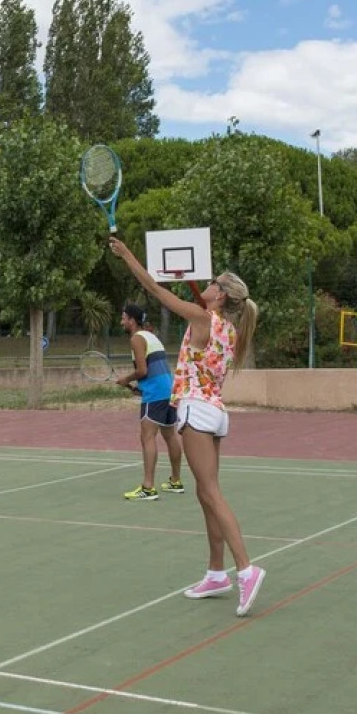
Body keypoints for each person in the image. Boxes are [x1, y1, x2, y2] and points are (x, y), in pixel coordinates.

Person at [108, 237, 266, 617]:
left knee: (210, 494)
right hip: (214, 412)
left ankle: (246, 569)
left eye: (214, 282)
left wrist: (128, 255)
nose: (208, 285)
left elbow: (156, 290)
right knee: (205, 494)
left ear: (221, 295)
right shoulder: (231, 330)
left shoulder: (203, 319)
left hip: (196, 410)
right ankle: (216, 573)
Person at [115, 303, 184, 501]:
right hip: (167, 389)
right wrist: (139, 388)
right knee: (170, 435)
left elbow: (143, 371)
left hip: (155, 393)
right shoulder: (152, 336)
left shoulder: (136, 338)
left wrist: (126, 380)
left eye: (124, 318)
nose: (122, 322)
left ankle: (148, 487)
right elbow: (153, 369)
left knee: (147, 437)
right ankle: (175, 481)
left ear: (132, 320)